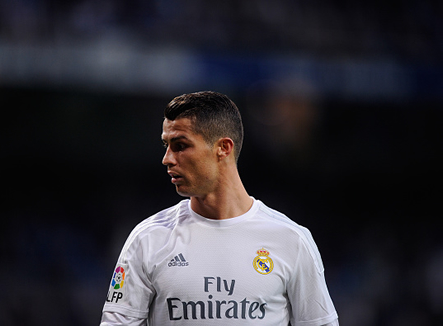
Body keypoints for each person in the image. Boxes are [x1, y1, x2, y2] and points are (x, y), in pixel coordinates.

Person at [100, 91, 338, 325]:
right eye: (166, 145)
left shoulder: (291, 240)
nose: (167, 158)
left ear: (223, 148)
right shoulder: (148, 239)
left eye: (180, 145)